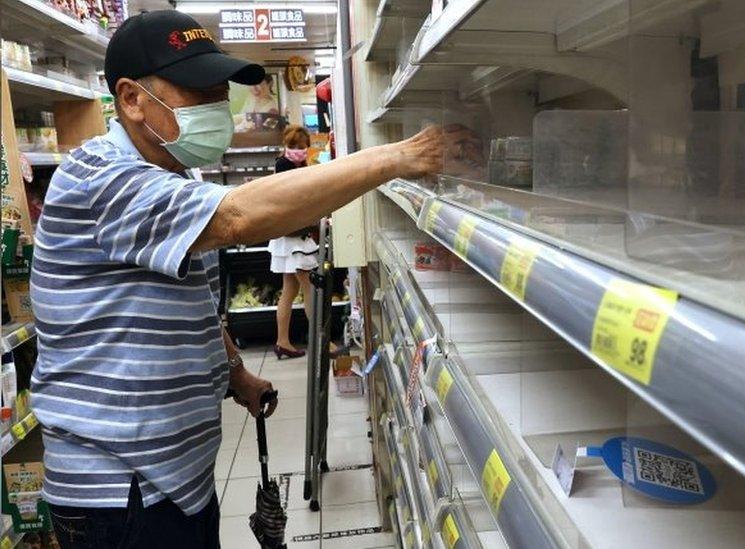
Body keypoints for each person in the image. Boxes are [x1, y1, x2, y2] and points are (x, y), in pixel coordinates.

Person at [28, 10, 470, 549]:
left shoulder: (171, 173)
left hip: (173, 478)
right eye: (199, 90)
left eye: (222, 92)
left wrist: (235, 371)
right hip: (119, 489)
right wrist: (397, 156)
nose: (218, 106)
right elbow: (239, 216)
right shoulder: (100, 177)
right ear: (131, 98)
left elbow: (184, 301)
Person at [268, 125, 316, 359]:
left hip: (290, 235)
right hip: (294, 237)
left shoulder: (298, 165)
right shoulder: (284, 167)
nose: (298, 151)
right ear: (286, 147)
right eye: (293, 147)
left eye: (302, 147)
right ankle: (321, 342)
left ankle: (282, 341)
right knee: (309, 287)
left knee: (290, 289)